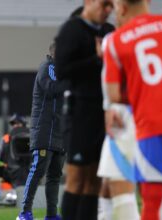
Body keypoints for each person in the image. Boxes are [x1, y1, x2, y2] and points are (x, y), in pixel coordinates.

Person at [103, 0, 162, 219]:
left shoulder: (114, 42)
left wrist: (141, 92)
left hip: (147, 124)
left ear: (121, 7)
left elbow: (113, 95)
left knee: (151, 197)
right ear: (147, 2)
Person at [54, 1, 114, 219]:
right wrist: (95, 59)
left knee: (95, 180)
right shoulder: (72, 30)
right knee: (76, 178)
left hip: (103, 112)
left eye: (111, 6)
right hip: (79, 112)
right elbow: (62, 71)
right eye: (104, 5)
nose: (108, 10)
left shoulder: (109, 33)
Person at [17, 43, 66, 220]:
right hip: (46, 131)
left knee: (55, 176)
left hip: (60, 133)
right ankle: (24, 213)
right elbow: (52, 88)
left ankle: (52, 215)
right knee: (37, 171)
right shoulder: (48, 67)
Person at [0, 114, 30, 200]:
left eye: (17, 124)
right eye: (13, 124)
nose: (15, 126)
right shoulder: (33, 136)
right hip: (27, 172)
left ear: (23, 124)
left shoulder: (6, 138)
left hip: (15, 172)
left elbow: (0, 156)